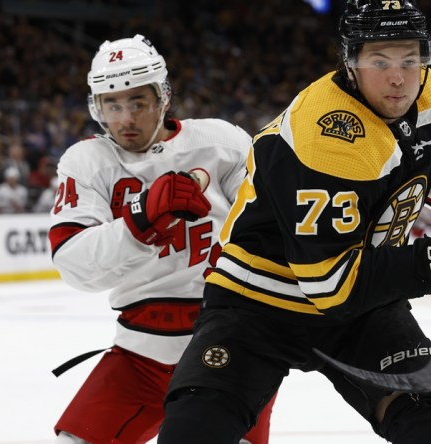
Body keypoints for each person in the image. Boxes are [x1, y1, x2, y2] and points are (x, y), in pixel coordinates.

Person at [159, 2, 431, 443]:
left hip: (364, 304)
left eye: (410, 58)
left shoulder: (424, 89)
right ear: (349, 64)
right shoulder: (329, 135)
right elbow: (331, 287)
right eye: (377, 62)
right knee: (193, 430)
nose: (399, 77)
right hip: (259, 301)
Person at [48, 34, 274, 444]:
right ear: (95, 107)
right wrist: (141, 218)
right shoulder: (87, 161)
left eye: (138, 102)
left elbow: (271, 231)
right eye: (111, 105)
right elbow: (75, 267)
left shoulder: (221, 144)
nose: (125, 119)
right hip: (140, 356)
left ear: (163, 97)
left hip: (230, 346)